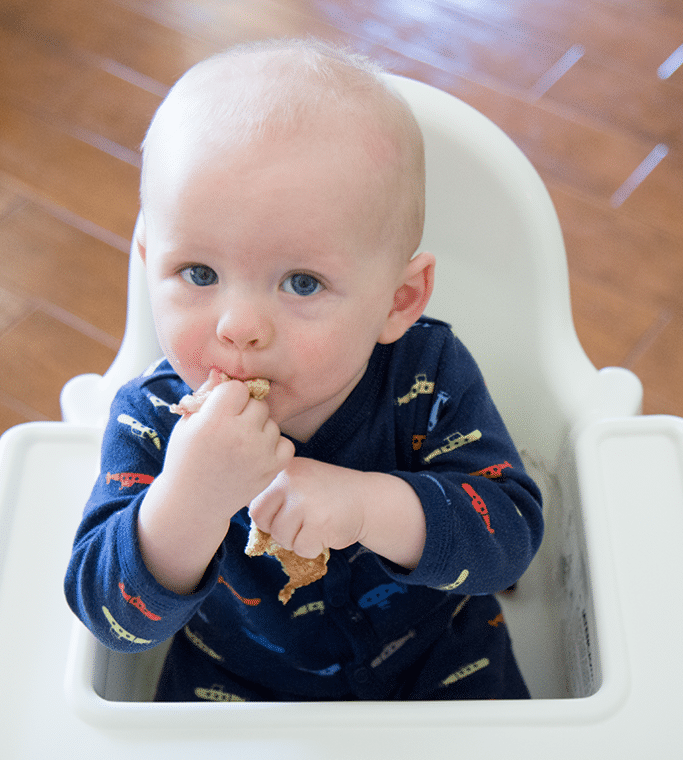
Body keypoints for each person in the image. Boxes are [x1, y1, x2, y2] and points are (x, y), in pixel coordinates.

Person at [65, 38, 544, 701]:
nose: (239, 326)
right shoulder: (152, 416)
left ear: (398, 301)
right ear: (150, 261)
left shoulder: (427, 378)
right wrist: (188, 501)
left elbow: (510, 539)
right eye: (198, 273)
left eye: (302, 283)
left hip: (443, 672)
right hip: (238, 694)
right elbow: (109, 619)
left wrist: (368, 506)